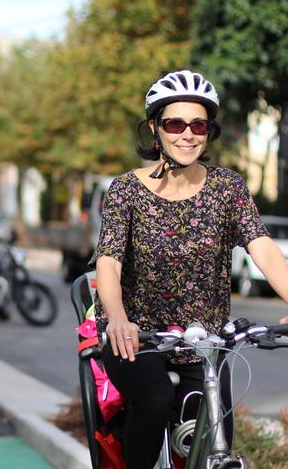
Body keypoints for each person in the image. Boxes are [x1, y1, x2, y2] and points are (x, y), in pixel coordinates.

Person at [90, 69, 288, 468]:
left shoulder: (227, 188)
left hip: (203, 341)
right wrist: (119, 321)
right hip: (138, 338)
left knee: (218, 433)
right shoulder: (126, 190)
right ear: (155, 128)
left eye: (198, 124)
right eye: (174, 123)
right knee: (155, 398)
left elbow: (262, 247)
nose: (187, 134)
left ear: (208, 131)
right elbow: (109, 261)